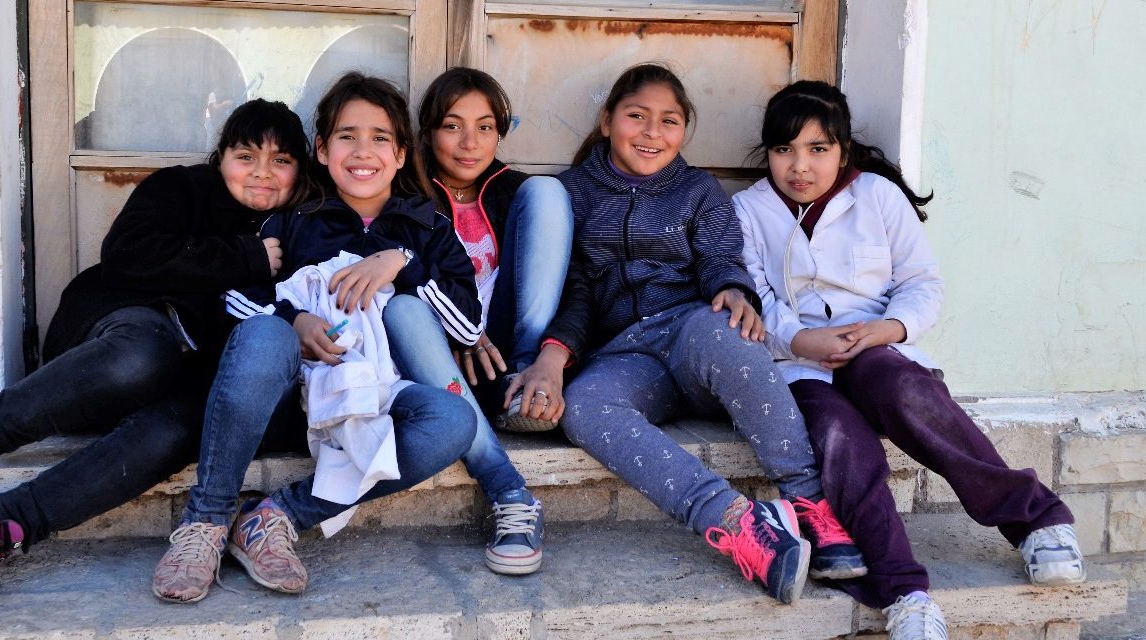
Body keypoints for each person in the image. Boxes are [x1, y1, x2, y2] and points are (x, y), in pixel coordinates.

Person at [0, 98, 311, 599]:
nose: (261, 173)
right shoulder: (183, 189)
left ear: (299, 171)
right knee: (145, 353)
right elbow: (126, 255)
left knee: (176, 432)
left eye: (281, 161)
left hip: (186, 378)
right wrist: (243, 257)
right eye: (246, 157)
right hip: (113, 338)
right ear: (220, 157)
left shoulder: (296, 232)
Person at [733, 80, 1085, 638]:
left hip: (879, 350)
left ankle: (1037, 519)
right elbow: (756, 299)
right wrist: (802, 342)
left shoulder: (876, 195)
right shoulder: (748, 210)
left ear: (842, 152)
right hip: (800, 366)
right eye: (784, 150)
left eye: (818, 150)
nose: (800, 166)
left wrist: (886, 329)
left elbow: (922, 284)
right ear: (768, 153)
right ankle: (905, 594)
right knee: (839, 441)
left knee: (907, 393)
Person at [510, 63, 865, 605]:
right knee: (584, 407)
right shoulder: (573, 193)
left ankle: (809, 501)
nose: (653, 133)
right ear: (607, 121)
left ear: (683, 131)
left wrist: (734, 291)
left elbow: (722, 257)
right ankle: (738, 525)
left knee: (733, 339)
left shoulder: (698, 189)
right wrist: (554, 357)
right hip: (626, 352)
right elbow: (575, 289)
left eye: (669, 121)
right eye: (637, 117)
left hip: (689, 330)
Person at [151, 73, 479, 603]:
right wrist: (293, 320)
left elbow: (469, 325)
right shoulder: (296, 221)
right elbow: (235, 301)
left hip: (377, 392)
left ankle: (276, 516)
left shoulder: (428, 228)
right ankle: (206, 522)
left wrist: (403, 264)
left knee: (453, 420)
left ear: (400, 154)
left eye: (379, 138)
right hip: (294, 394)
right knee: (262, 335)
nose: (362, 150)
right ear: (323, 150)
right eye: (347, 136)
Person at [382, 67, 567, 576]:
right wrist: (459, 330)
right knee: (404, 308)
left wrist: (549, 355)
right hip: (439, 364)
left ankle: (523, 385)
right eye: (452, 125)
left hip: (507, 352)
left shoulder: (516, 193)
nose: (470, 142)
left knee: (550, 192)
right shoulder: (405, 196)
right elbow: (393, 285)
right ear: (427, 132)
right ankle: (509, 491)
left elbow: (576, 285)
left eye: (485, 127)